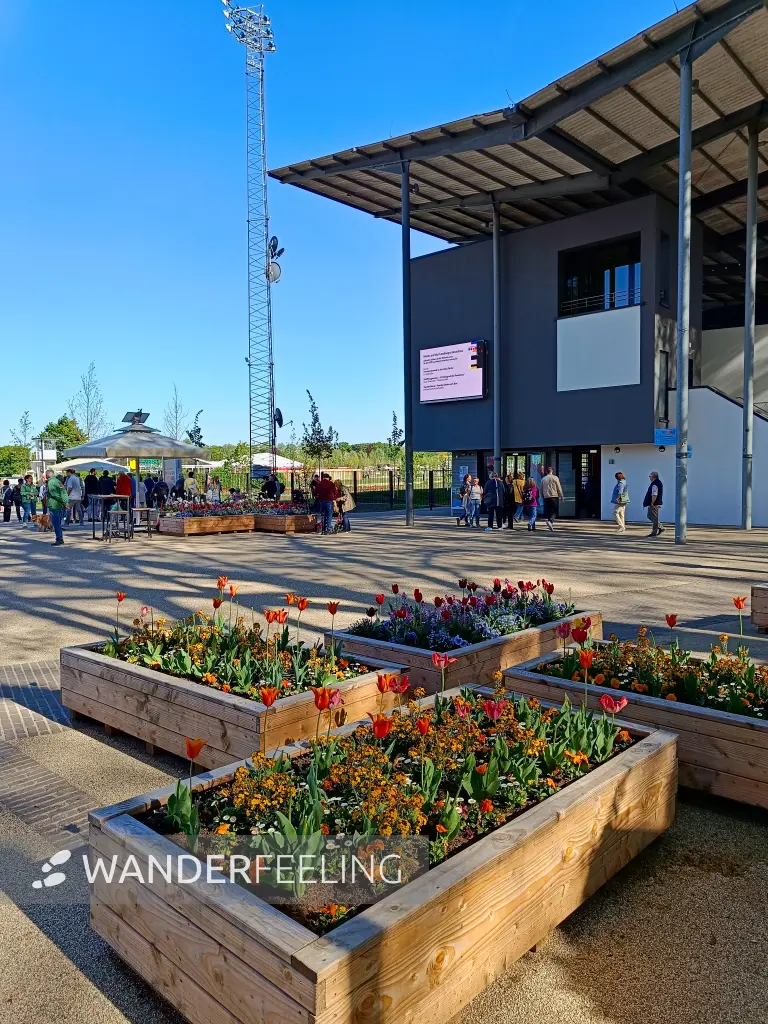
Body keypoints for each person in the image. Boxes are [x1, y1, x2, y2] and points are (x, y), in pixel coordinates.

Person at [45, 470, 68, 545]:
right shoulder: (59, 482)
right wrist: (65, 501)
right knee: (58, 522)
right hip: (60, 505)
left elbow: (54, 494)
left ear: (47, 475)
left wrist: (63, 502)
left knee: (56, 523)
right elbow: (64, 492)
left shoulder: (50, 482)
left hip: (54, 505)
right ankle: (60, 538)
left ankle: (59, 539)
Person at [540, 466, 564, 532]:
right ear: (552, 471)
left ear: (546, 471)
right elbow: (558, 487)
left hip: (546, 496)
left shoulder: (543, 479)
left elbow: (541, 488)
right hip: (554, 496)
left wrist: (542, 495)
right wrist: (561, 495)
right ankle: (551, 521)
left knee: (548, 511)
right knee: (555, 510)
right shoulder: (555, 478)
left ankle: (550, 523)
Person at [643, 471, 664, 537]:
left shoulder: (655, 484)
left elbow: (654, 494)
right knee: (650, 516)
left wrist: (652, 502)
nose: (649, 478)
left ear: (653, 477)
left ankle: (654, 532)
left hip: (654, 503)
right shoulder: (656, 483)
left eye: (650, 476)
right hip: (654, 503)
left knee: (654, 518)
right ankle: (660, 527)